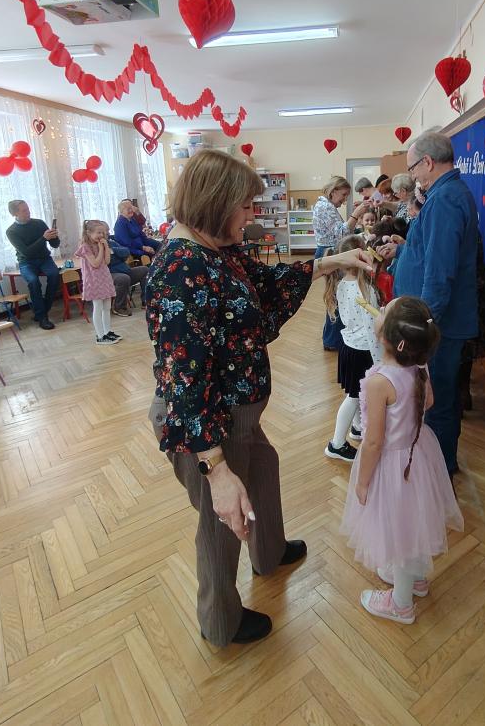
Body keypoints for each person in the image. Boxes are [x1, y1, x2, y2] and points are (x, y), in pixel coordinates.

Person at [146, 149, 372, 648]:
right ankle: (221, 622)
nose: (251, 216)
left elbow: (267, 283)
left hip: (239, 412)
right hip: (210, 421)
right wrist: (216, 471)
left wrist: (333, 261)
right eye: (245, 206)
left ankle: (268, 552)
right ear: (215, 202)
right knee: (221, 521)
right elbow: (185, 382)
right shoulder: (180, 269)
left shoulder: (217, 249)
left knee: (264, 469)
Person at [341, 296, 463, 624]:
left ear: (386, 337)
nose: (379, 309)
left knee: (400, 529)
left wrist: (363, 482)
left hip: (394, 466)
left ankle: (401, 603)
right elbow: (429, 400)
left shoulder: (379, 382)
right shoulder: (418, 363)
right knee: (413, 523)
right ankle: (415, 577)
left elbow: (373, 441)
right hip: (418, 452)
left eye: (384, 310)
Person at [378, 131, 478, 477]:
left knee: (438, 400)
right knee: (435, 397)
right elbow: (429, 252)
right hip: (438, 321)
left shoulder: (445, 199)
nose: (413, 176)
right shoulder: (443, 195)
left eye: (412, 168)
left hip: (439, 325)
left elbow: (440, 271)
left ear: (428, 162)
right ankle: (437, 466)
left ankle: (439, 471)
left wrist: (422, 324)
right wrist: (403, 250)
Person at [323, 236, 381, 463]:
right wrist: (379, 359)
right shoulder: (364, 290)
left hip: (348, 347)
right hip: (363, 351)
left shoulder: (341, 284)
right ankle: (336, 444)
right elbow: (371, 329)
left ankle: (356, 428)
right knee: (354, 396)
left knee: (355, 392)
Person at [313, 177, 369, 350]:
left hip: (331, 252)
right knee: (337, 297)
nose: (344, 200)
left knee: (337, 296)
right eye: (343, 195)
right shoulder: (325, 207)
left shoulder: (327, 206)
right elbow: (341, 233)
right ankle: (332, 340)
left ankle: (332, 338)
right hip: (329, 253)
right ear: (333, 191)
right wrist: (356, 214)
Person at [459, 233, 485, 413]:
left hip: (467, 293)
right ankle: (464, 393)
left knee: (462, 350)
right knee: (467, 350)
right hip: (479, 288)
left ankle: (461, 396)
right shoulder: (472, 232)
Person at [5, 200, 60, 330]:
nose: (28, 212)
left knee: (54, 275)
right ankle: (42, 318)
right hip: (26, 261)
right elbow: (27, 252)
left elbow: (55, 245)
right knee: (33, 281)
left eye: (28, 209)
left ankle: (41, 312)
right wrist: (44, 238)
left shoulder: (39, 223)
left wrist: (54, 236)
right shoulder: (11, 231)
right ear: (14, 213)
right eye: (24, 210)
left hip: (44, 258)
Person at [75, 221, 122, 345]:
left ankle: (107, 331)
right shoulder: (85, 247)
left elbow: (106, 261)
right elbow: (95, 263)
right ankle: (100, 336)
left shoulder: (100, 244)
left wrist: (105, 247)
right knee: (98, 307)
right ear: (88, 233)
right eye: (99, 232)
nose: (101, 235)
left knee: (107, 307)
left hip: (104, 278)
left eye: (103, 233)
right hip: (93, 280)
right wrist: (101, 248)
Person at [100, 222, 149, 316]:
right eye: (105, 231)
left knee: (145, 270)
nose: (108, 233)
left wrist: (113, 251)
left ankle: (146, 301)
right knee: (123, 278)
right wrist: (119, 257)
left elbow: (126, 252)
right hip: (110, 275)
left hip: (124, 271)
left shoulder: (112, 243)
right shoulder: (96, 247)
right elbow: (107, 263)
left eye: (108, 230)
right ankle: (119, 307)